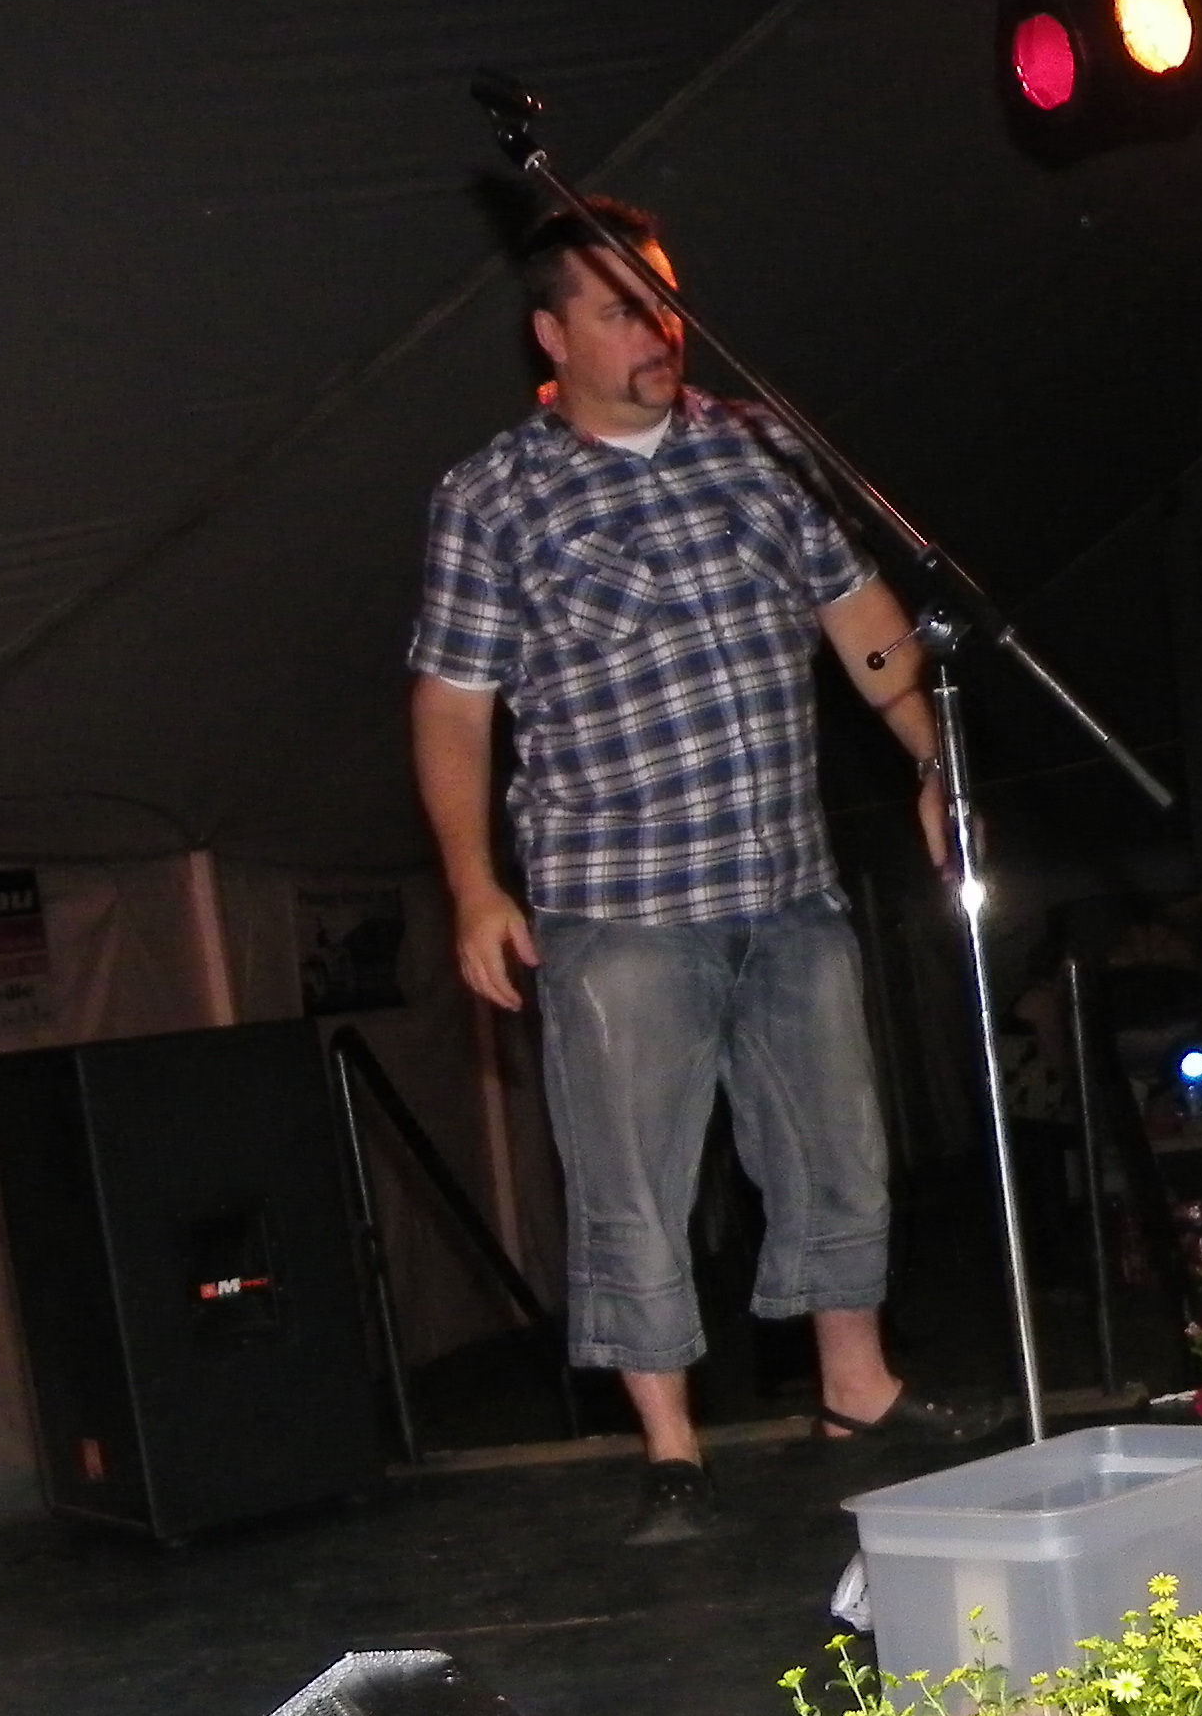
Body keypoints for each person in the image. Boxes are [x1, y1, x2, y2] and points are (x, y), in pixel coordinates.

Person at [407, 202, 983, 1542]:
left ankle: (858, 1391)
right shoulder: (493, 496)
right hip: (617, 906)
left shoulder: (760, 450)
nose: (655, 330)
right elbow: (450, 707)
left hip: (785, 880)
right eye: (620, 308)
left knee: (836, 1147)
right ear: (553, 336)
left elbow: (861, 618)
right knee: (633, 1181)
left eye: (662, 302)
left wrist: (929, 757)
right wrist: (474, 886)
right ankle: (669, 1446)